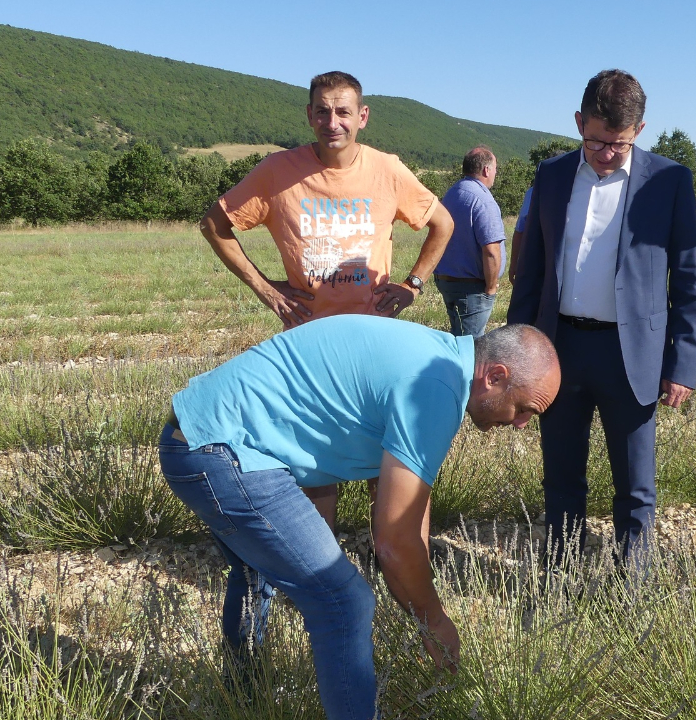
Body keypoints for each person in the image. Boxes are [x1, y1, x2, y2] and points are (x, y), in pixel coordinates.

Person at [158, 317, 560, 720]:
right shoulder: (436, 388)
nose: (521, 424)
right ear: (495, 376)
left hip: (195, 435)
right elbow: (394, 542)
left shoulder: (437, 359)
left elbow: (409, 515)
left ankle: (242, 700)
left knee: (255, 571)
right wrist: (435, 621)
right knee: (345, 603)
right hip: (221, 452)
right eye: (524, 409)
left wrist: (420, 610)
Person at [197, 70, 455, 530]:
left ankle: (394, 555)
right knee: (315, 463)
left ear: (363, 117)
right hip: (308, 344)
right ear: (309, 114)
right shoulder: (278, 171)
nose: (331, 121)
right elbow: (214, 225)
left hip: (376, 341)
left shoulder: (387, 170)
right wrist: (267, 289)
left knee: (386, 455)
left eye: (342, 112)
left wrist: (413, 284)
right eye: (322, 111)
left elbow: (443, 224)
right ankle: (322, 569)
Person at [508, 69, 696, 566]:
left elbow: (688, 280)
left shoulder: (670, 181)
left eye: (618, 144)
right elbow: (530, 273)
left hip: (631, 355)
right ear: (578, 122)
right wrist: (516, 354)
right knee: (561, 478)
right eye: (595, 142)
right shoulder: (551, 175)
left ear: (638, 130)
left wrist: (682, 364)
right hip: (560, 349)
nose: (605, 155)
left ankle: (630, 590)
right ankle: (561, 575)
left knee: (635, 485)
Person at [435, 146, 506, 336]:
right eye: (495, 169)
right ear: (486, 170)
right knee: (471, 346)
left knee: (458, 338)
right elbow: (491, 250)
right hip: (471, 289)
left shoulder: (452, 193)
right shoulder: (483, 200)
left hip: (448, 280)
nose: (495, 174)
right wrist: (491, 289)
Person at [508, 185, 534, 284]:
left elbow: (520, 230)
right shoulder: (534, 192)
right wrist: (514, 264)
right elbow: (520, 230)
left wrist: (514, 264)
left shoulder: (534, 191)